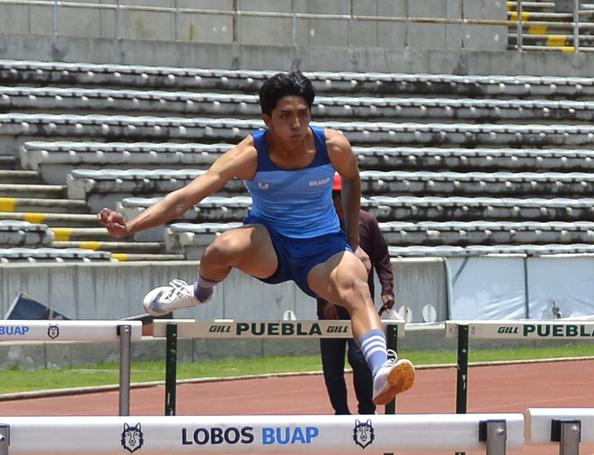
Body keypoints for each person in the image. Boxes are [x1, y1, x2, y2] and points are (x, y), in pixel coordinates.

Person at [97, 71, 414, 406]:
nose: (296, 123)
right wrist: (130, 227)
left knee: (357, 285)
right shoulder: (249, 154)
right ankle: (198, 293)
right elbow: (185, 198)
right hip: (271, 243)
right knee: (221, 248)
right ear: (267, 120)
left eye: (303, 114)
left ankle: (381, 371)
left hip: (322, 247)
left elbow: (351, 179)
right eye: (285, 116)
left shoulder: (332, 146)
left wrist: (352, 244)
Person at [318, 173, 395, 415]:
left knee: (360, 360)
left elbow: (382, 260)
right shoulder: (319, 225)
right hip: (329, 309)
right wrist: (326, 301)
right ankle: (340, 413)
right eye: (333, 195)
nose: (338, 200)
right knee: (332, 366)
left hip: (359, 308)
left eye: (341, 195)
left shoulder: (367, 222)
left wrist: (387, 289)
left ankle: (367, 410)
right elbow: (314, 267)